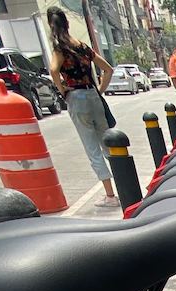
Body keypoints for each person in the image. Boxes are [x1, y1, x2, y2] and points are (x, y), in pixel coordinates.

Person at [45, 7, 119, 208]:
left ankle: (110, 195)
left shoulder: (60, 48)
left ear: (51, 25)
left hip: (76, 96)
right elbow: (108, 69)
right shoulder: (82, 46)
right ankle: (124, 184)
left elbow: (53, 69)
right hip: (93, 94)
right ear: (67, 23)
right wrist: (99, 90)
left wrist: (62, 90)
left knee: (92, 148)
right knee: (109, 142)